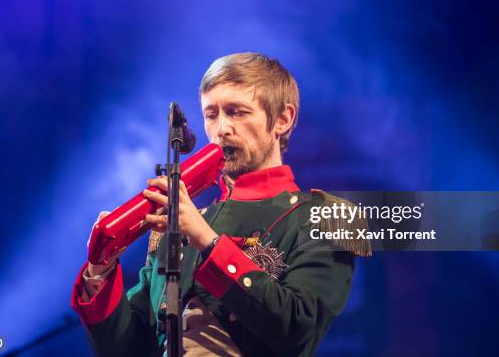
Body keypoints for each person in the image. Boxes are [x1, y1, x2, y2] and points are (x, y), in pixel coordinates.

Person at [71, 52, 371, 356]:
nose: (221, 129)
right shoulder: (181, 223)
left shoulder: (328, 218)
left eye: (237, 112)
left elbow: (297, 326)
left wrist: (206, 239)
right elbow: (128, 350)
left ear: (283, 119)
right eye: (211, 114)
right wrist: (100, 271)